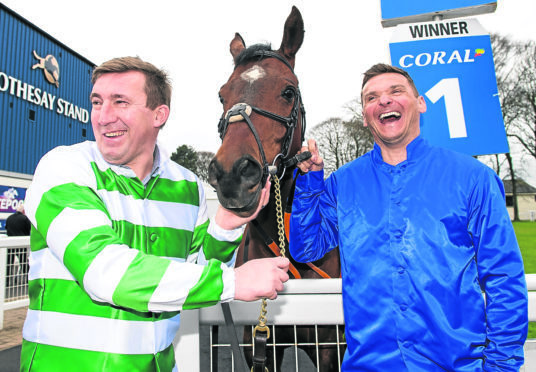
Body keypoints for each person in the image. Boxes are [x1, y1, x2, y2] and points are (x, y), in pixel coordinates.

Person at [21, 56, 289, 371]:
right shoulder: (62, 168)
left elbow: (196, 274)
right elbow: (106, 273)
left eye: (120, 102)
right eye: (97, 102)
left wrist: (226, 226)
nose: (104, 117)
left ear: (159, 115)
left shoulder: (188, 186)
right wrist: (233, 282)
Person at [289, 63, 528, 371]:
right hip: (368, 365)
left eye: (396, 91)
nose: (384, 101)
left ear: (421, 103)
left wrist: (501, 366)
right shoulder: (342, 183)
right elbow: (306, 248)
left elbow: (504, 279)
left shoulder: (474, 178)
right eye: (371, 97)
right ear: (364, 116)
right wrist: (310, 184)